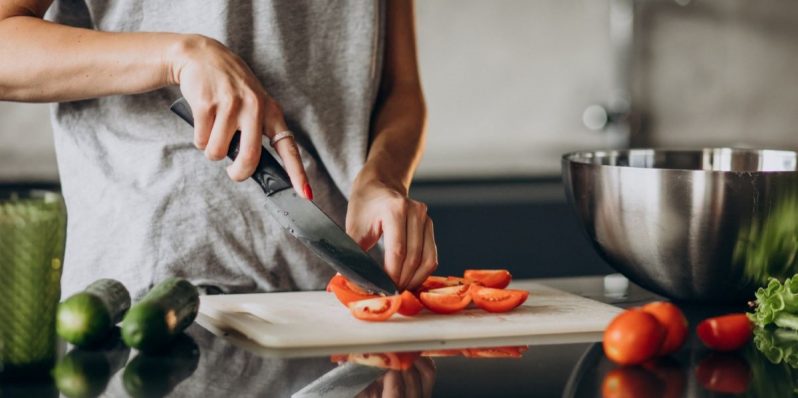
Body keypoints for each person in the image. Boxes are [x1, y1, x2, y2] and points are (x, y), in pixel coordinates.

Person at [0, 0, 437, 298]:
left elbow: (401, 89)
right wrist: (178, 56)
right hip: (151, 299)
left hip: (332, 300)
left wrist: (382, 177)